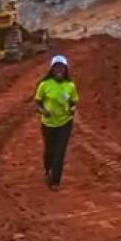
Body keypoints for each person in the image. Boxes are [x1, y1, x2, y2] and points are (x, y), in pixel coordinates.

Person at [34, 54, 78, 191]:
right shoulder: (44, 85)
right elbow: (38, 101)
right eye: (56, 68)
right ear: (52, 69)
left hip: (65, 123)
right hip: (48, 123)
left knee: (60, 151)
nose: (59, 70)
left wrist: (72, 108)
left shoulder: (70, 85)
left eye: (62, 68)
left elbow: (74, 101)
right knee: (50, 150)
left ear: (65, 70)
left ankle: (55, 181)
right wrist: (43, 111)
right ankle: (48, 170)